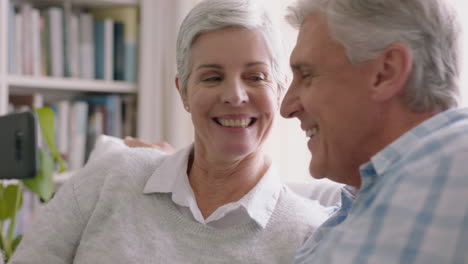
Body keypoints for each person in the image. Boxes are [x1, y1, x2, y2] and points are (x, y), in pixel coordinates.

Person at [9, 0, 329, 263]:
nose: (234, 95)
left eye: (255, 77)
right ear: (184, 92)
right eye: (212, 77)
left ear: (280, 89)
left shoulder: (308, 234)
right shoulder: (111, 175)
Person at [279, 0, 468, 263]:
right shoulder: (347, 212)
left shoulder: (458, 160)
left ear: (385, 73)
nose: (286, 108)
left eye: (308, 75)